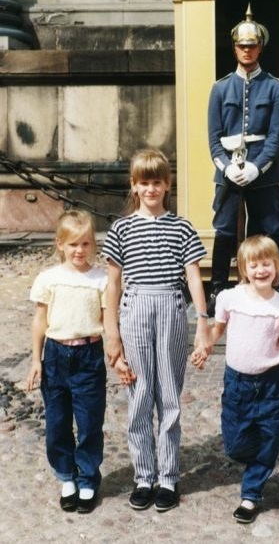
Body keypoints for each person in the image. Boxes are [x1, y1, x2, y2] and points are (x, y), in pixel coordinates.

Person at [102, 148, 211, 513]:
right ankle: (143, 475)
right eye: (144, 182)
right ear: (134, 186)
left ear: (168, 185)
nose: (151, 189)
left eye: (157, 182)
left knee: (168, 395)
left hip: (171, 308)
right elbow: (113, 284)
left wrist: (202, 322)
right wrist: (112, 334)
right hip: (135, 309)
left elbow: (193, 277)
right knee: (139, 393)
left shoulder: (181, 227)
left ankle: (168, 475)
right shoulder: (121, 229)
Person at [192, 235, 279, 524]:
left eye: (267, 264)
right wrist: (204, 347)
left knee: (270, 439)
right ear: (244, 269)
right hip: (237, 383)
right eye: (254, 265)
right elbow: (217, 330)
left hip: (270, 384)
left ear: (277, 267)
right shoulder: (230, 298)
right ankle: (254, 459)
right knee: (235, 444)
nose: (261, 270)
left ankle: (251, 493)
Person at [207, 4, 279, 314]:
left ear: (260, 47)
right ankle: (218, 288)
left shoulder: (275, 87)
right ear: (234, 48)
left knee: (270, 227)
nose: (247, 50)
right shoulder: (220, 88)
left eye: (252, 45)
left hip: (263, 172)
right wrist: (226, 166)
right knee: (225, 229)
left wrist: (258, 167)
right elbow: (214, 139)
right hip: (229, 170)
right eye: (242, 45)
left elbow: (275, 138)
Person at [26, 209, 107, 514]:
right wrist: (36, 360)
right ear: (60, 244)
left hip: (89, 356)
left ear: (93, 244)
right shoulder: (49, 279)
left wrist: (118, 353)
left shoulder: (101, 279)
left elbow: (109, 321)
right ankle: (66, 476)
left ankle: (87, 478)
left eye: (85, 243)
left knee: (89, 423)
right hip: (56, 356)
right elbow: (40, 321)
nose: (79, 250)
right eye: (73, 244)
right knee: (57, 423)